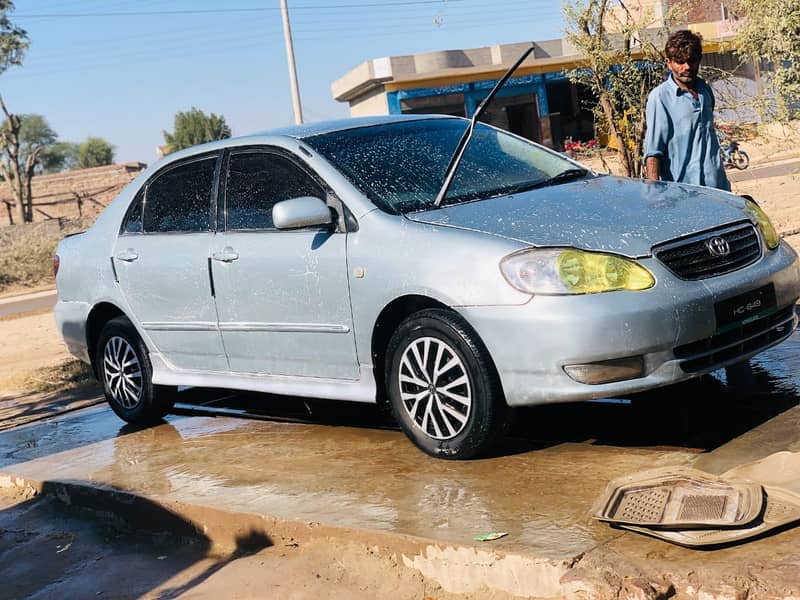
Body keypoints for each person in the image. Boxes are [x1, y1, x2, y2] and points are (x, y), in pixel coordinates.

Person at [644, 29, 730, 191]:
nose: (687, 67)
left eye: (692, 61)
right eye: (680, 62)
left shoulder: (705, 90)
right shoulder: (660, 97)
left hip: (717, 188)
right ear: (669, 63)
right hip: (682, 193)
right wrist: (654, 193)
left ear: (699, 60)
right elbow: (653, 151)